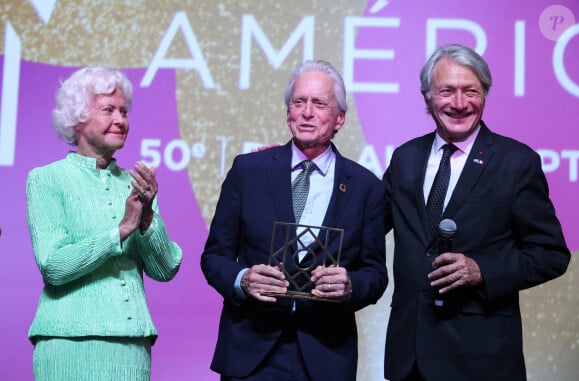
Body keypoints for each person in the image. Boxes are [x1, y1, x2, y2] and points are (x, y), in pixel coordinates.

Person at [382, 43, 571, 381]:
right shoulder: (405, 158)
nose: (458, 103)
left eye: (471, 91)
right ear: (427, 97)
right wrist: (284, 169)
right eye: (446, 91)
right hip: (408, 357)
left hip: (481, 360)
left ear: (485, 95)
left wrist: (481, 270)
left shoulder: (515, 163)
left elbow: (551, 254)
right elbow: (365, 218)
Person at [201, 60, 388, 381]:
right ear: (288, 112)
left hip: (325, 354)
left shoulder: (366, 187)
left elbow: (375, 274)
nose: (307, 112)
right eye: (298, 102)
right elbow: (214, 257)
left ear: (340, 118)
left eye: (319, 104)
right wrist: (242, 278)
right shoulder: (248, 171)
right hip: (251, 352)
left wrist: (349, 285)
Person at [26, 67, 183, 380]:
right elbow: (54, 265)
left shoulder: (137, 184)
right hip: (66, 343)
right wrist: (121, 230)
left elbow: (165, 270)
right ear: (78, 117)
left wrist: (147, 217)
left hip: (129, 346)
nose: (121, 120)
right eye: (108, 110)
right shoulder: (46, 179)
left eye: (124, 111)